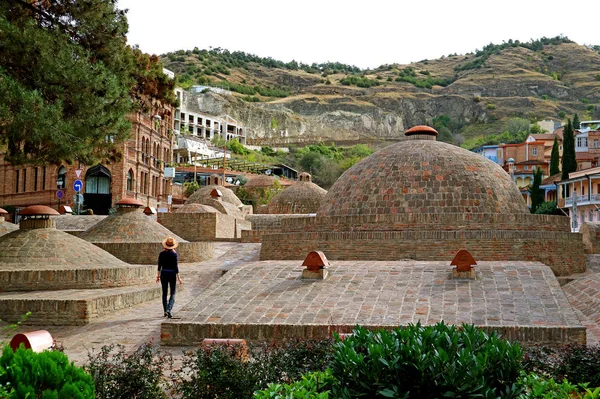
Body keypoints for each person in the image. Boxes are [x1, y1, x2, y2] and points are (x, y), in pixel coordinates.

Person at [157, 236, 183, 318]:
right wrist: (179, 277)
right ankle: (169, 309)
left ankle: (165, 311)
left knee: (164, 293)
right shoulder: (174, 254)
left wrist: (158, 276)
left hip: (164, 273)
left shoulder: (161, 254)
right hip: (172, 274)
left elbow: (159, 266)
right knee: (173, 293)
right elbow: (176, 267)